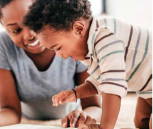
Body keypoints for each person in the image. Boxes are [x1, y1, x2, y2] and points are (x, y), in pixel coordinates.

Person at [0, 0, 102, 129]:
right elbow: (11, 111)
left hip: (70, 114)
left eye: (34, 22)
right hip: (27, 116)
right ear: (4, 28)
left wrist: (83, 115)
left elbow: (94, 106)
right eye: (16, 30)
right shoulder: (2, 45)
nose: (29, 35)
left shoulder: (72, 41)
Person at [23, 0, 152, 129]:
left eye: (58, 48)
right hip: (147, 87)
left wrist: (105, 127)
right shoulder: (90, 46)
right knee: (141, 122)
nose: (59, 55)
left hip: (148, 83)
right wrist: (75, 93)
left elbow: (112, 86)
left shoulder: (105, 36)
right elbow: (99, 81)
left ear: (78, 29)